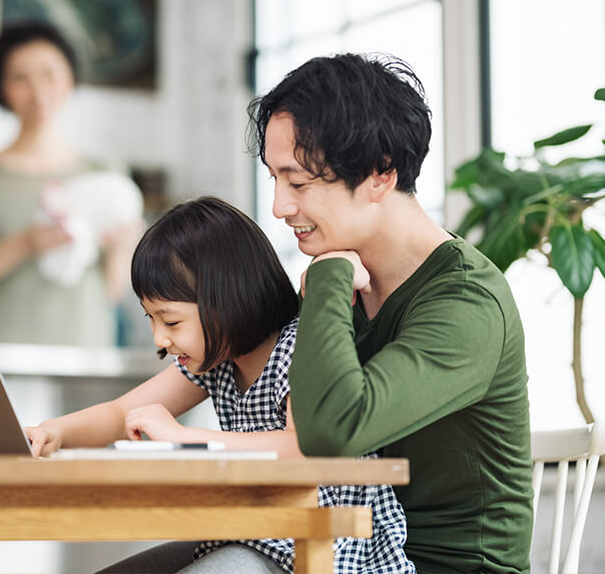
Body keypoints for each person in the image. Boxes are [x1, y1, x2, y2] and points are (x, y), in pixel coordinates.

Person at [250, 52, 534, 573]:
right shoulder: (352, 282)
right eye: (274, 179)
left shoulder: (467, 302)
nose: (279, 207)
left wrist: (329, 277)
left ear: (381, 173)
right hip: (339, 549)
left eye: (299, 182)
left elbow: (332, 431)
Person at [25, 196, 414, 574]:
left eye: (171, 321)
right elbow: (119, 413)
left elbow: (306, 448)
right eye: (151, 319)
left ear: (227, 300)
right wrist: (55, 430)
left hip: (322, 547)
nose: (159, 338)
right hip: (253, 537)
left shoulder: (300, 349)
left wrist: (184, 438)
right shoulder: (217, 362)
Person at [0, 19, 142, 345]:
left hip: (86, 355)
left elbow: (114, 290)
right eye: (20, 77)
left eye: (49, 73)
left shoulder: (105, 171)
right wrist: (27, 243)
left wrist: (123, 249)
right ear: (0, 86)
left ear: (70, 78)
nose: (38, 90)